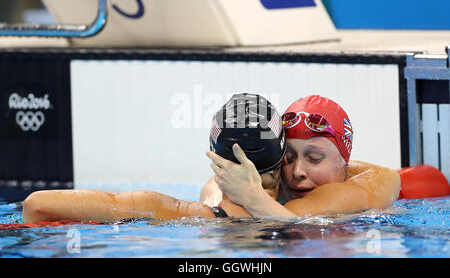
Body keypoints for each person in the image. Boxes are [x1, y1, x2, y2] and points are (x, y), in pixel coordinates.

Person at [22, 93, 285, 223]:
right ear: (283, 157)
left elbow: (37, 205)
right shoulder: (315, 208)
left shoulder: (179, 213)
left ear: (215, 159)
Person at [205, 95, 402, 219]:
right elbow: (215, 185)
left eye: (314, 158)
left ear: (344, 160)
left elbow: (294, 222)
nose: (297, 172)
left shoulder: (368, 187)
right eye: (288, 157)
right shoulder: (269, 180)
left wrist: (251, 198)